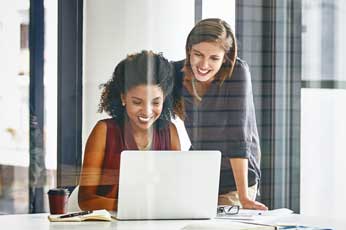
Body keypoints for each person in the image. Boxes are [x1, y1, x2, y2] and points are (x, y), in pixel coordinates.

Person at [173, 18, 268, 210]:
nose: (203, 64)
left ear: (225, 57)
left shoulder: (237, 73)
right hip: (199, 173)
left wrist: (243, 197)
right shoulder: (176, 72)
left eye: (214, 58)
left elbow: (238, 138)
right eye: (197, 54)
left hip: (235, 177)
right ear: (189, 50)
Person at [78, 51, 182, 211]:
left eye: (155, 102)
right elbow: (85, 200)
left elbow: (177, 191)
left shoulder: (170, 131)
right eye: (137, 102)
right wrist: (134, 206)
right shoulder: (104, 131)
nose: (147, 112)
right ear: (123, 98)